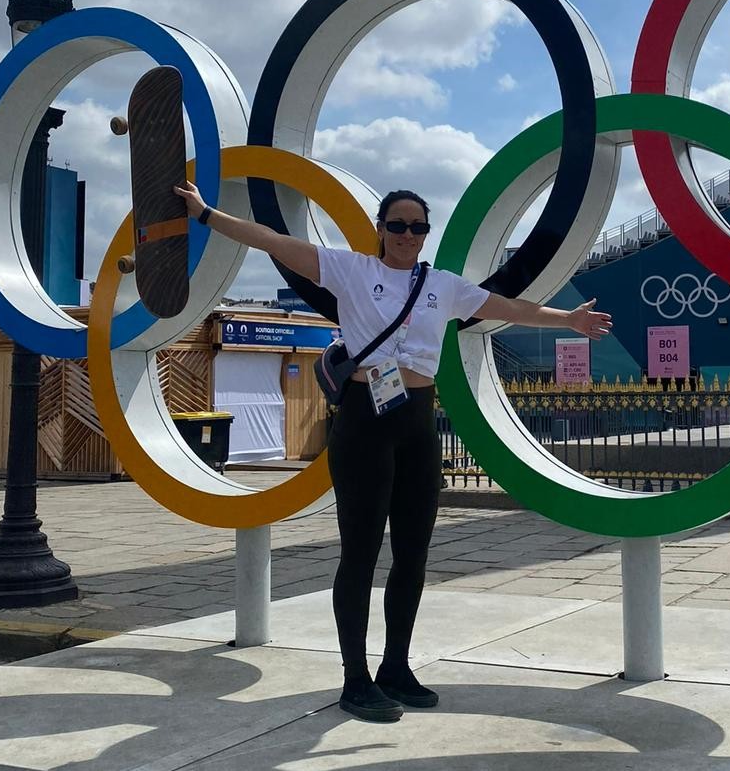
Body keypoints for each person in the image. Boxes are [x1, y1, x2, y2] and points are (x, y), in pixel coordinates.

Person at [174, 181, 612, 723]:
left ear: (426, 235)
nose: (408, 235)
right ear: (381, 230)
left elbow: (506, 307)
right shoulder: (353, 271)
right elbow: (272, 240)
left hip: (417, 423)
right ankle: (355, 679)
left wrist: (567, 319)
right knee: (359, 554)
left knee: (413, 554)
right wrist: (207, 214)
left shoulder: (443, 287)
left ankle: (395, 668)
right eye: (398, 225)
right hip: (365, 419)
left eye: (418, 227)